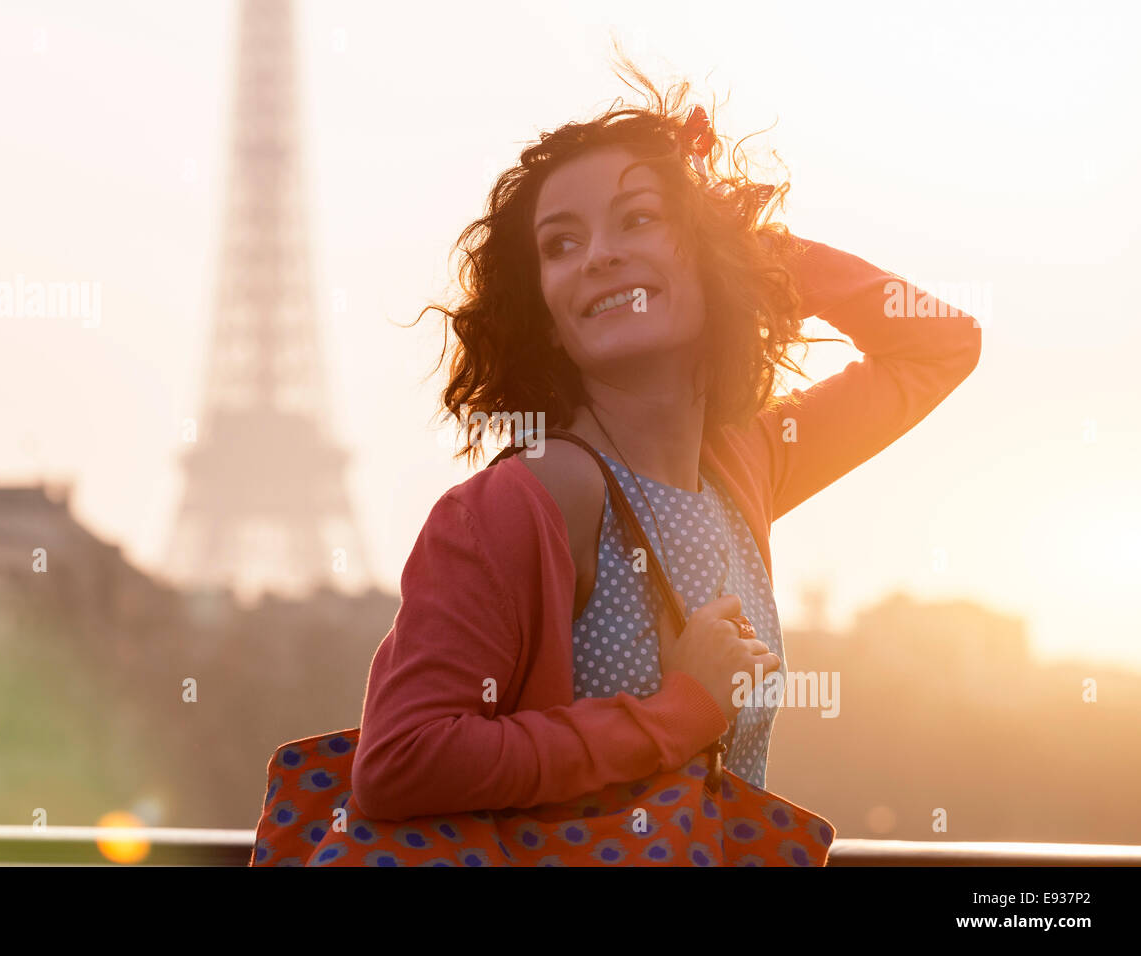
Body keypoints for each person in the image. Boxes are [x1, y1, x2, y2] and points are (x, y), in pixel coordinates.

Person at [351, 61, 981, 824]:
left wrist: (754, 255)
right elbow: (402, 761)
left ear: (705, 256)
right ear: (545, 314)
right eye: (561, 245)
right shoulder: (517, 506)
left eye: (639, 220)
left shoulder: (743, 464)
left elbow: (941, 342)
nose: (599, 256)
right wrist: (681, 710)